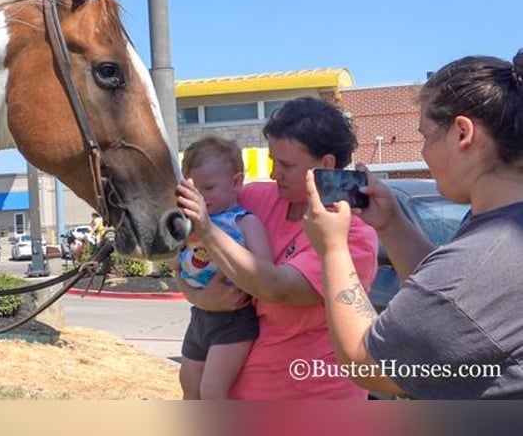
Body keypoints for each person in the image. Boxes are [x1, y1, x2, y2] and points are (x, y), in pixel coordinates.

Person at [303, 53, 523, 399]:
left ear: (463, 133)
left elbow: (365, 361)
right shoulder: (502, 225)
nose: (423, 151)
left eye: (426, 135)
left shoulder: (484, 259)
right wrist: (392, 226)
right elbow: (444, 299)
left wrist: (332, 248)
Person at [176, 97, 379, 399]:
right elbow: (190, 252)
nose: (273, 174)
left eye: (285, 165)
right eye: (272, 161)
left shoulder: (353, 235)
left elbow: (277, 288)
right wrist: (199, 297)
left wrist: (206, 230)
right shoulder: (257, 197)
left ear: (325, 165)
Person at [174, 136, 273, 400]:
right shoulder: (191, 223)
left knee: (212, 390)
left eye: (208, 187)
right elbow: (178, 263)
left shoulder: (244, 222)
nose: (200, 197)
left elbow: (265, 269)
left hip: (234, 320)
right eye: (193, 189)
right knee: (188, 384)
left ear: (236, 182)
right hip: (199, 317)